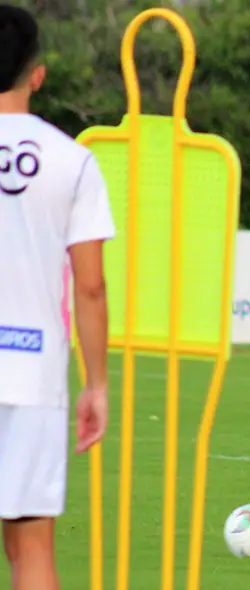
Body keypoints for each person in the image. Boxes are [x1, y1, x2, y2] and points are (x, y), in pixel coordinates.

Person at [0, 6, 116, 589]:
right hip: (32, 370)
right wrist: (96, 383)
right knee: (31, 549)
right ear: (37, 74)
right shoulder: (72, 160)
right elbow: (90, 285)